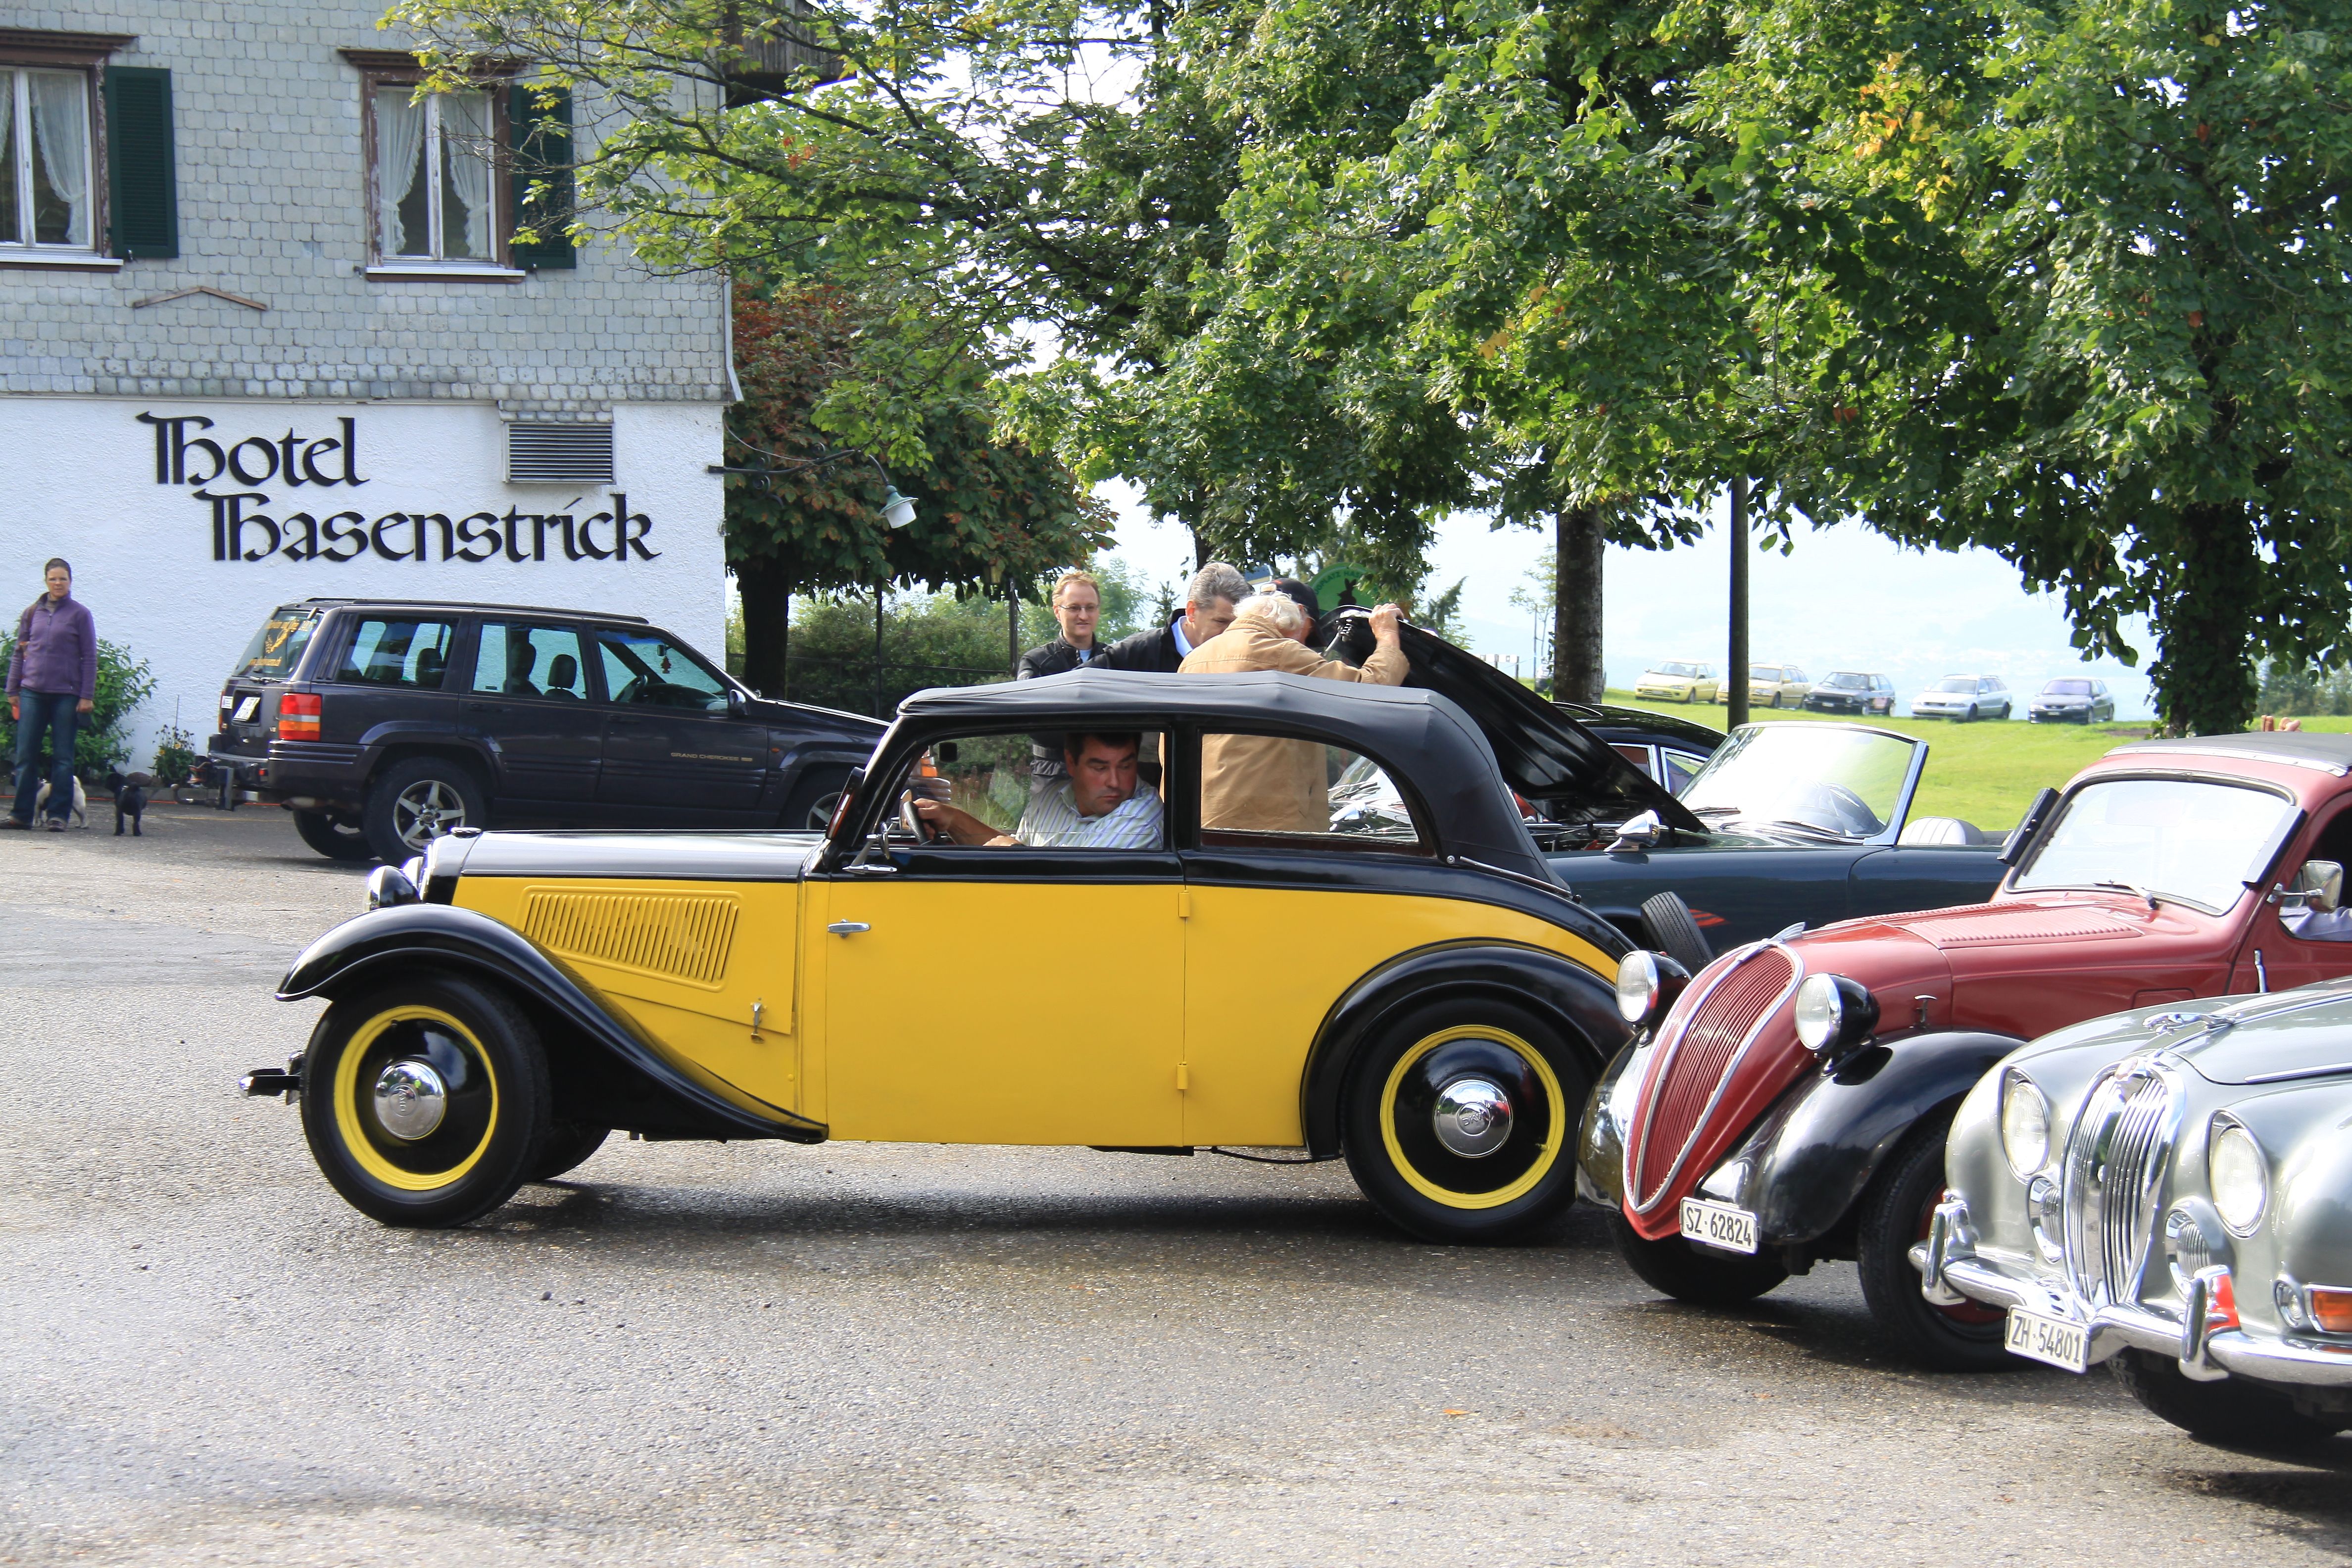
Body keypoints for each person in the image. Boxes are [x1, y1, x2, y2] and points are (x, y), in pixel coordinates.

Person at [1182, 590, 1410, 833]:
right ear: (1288, 628)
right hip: (1264, 826)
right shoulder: (1278, 651)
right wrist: (1387, 637)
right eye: (1302, 639)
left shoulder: (1192, 661)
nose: (1304, 648)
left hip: (1196, 819)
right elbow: (1369, 691)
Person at [914, 732, 1164, 849]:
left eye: (1126, 766)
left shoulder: (1141, 818)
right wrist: (953, 820)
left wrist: (1016, 857)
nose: (1115, 782)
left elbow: (1072, 894)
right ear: (1071, 763)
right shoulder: (1051, 798)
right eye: (1100, 768)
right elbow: (1017, 851)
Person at [5, 558, 97, 833]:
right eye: (53, 579)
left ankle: (58, 816)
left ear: (71, 581)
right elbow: (19, 653)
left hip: (66, 696)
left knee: (63, 758)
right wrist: (12, 689)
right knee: (25, 756)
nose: (58, 584)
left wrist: (86, 695)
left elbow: (90, 657)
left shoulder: (80, 615)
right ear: (46, 581)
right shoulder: (32, 613)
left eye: (63, 579)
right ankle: (21, 816)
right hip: (32, 692)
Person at [1016, 569, 1107, 796]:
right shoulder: (1036, 662)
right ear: (1058, 612)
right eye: (1074, 608)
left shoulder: (1114, 659)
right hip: (1052, 771)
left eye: (1090, 608)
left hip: (1105, 771)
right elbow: (1028, 718)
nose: (1083, 616)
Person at [1102, 562, 1251, 674]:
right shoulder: (1133, 655)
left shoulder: (1248, 661)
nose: (1230, 632)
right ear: (1192, 612)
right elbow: (1079, 686)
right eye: (1221, 622)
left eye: (1237, 623)